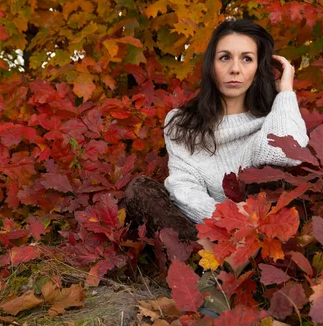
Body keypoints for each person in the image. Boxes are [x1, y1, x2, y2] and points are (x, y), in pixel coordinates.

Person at [125, 18, 309, 243]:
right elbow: (184, 185)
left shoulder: (275, 116)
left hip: (258, 231)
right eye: (224, 57)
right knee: (139, 190)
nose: (235, 69)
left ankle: (237, 265)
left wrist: (285, 93)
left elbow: (283, 153)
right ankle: (203, 266)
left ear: (259, 67)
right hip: (202, 233)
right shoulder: (182, 122)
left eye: (247, 59)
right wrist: (225, 217)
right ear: (211, 65)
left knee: (274, 176)